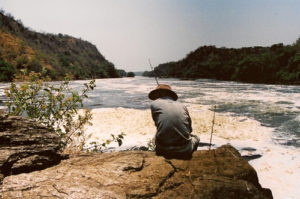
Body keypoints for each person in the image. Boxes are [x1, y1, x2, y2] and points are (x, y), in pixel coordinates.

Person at [149, 84, 200, 159]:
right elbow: (190, 130)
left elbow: (158, 125)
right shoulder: (182, 105)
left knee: (155, 137)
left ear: (159, 93)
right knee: (196, 137)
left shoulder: (154, 104)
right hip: (184, 149)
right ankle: (189, 156)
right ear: (170, 95)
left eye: (157, 94)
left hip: (163, 149)